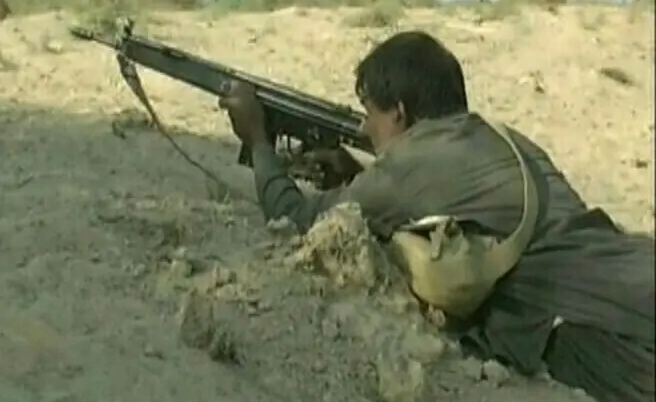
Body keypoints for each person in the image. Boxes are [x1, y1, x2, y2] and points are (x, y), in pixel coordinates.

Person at [217, 31, 655, 402]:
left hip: (610, 326)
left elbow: (294, 215)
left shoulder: (410, 167)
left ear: (400, 111)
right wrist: (359, 177)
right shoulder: (505, 138)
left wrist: (256, 139)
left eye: (370, 112)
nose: (364, 129)